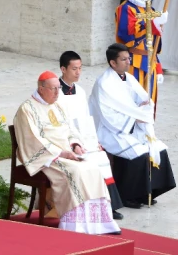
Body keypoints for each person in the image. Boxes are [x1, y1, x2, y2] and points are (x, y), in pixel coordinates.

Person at [13, 71, 120, 235]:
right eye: (53, 89)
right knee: (76, 172)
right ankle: (75, 224)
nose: (57, 93)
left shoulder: (57, 106)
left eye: (58, 88)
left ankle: (99, 222)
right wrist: (62, 153)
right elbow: (32, 140)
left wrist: (75, 144)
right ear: (41, 89)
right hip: (48, 157)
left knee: (93, 168)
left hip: (68, 153)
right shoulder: (27, 109)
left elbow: (70, 129)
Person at [90, 43, 175, 209]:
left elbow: (141, 100)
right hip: (111, 130)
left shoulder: (128, 78)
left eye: (128, 58)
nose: (128, 62)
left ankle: (148, 192)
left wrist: (145, 107)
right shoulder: (104, 83)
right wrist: (135, 118)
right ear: (112, 63)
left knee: (158, 149)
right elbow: (108, 117)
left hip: (132, 127)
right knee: (140, 154)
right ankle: (128, 196)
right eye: (124, 59)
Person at [56, 51, 124, 220]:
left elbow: (86, 118)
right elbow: (58, 123)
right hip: (65, 141)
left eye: (80, 68)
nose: (78, 72)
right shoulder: (55, 91)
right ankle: (93, 205)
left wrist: (95, 141)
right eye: (74, 69)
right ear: (63, 69)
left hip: (83, 137)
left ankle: (109, 205)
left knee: (102, 157)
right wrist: (73, 143)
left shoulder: (79, 90)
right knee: (91, 161)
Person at [116, 0, 168, 105]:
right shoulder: (125, 9)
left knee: (150, 104)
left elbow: (153, 43)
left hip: (149, 62)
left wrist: (158, 67)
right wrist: (151, 23)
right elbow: (127, 34)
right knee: (135, 104)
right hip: (132, 63)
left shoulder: (149, 9)